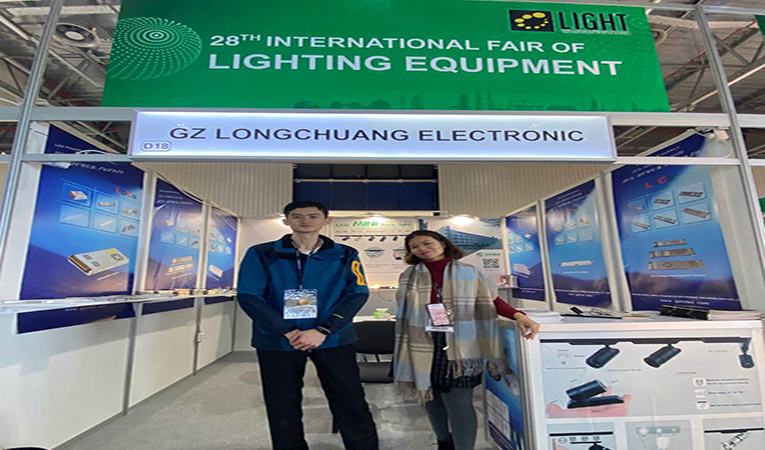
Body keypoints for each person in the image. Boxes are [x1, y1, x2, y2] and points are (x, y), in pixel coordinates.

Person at [237, 200, 379, 450]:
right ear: (286, 220)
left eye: (313, 216)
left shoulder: (345, 254)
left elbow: (357, 293)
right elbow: (249, 296)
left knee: (349, 398)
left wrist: (323, 330)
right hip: (279, 340)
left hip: (333, 338)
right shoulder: (261, 253)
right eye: (297, 216)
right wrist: (288, 331)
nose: (305, 221)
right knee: (282, 403)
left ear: (326, 220)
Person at [393, 230, 540, 450]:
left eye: (427, 243)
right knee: (430, 396)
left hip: (461, 343)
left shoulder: (471, 272)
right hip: (421, 341)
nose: (422, 249)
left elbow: (491, 300)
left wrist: (518, 315)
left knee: (459, 402)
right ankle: (444, 442)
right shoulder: (408, 275)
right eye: (414, 247)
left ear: (442, 243)